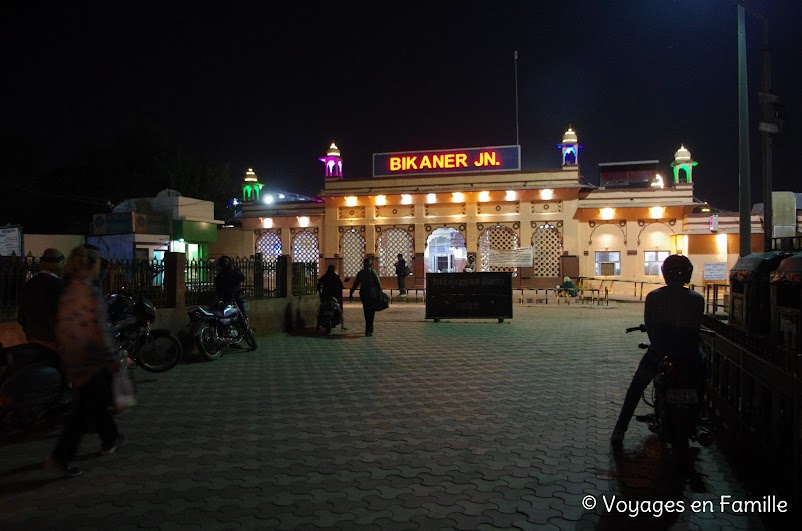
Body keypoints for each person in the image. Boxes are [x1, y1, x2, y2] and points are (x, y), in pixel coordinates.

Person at [46, 245, 126, 477]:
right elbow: (100, 330)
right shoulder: (90, 292)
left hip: (75, 359)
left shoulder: (69, 290)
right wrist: (112, 358)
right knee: (80, 414)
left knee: (94, 403)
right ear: (91, 266)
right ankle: (59, 459)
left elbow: (62, 327)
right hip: (92, 360)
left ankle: (110, 438)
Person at [611, 254, 704, 448]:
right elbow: (696, 327)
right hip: (689, 356)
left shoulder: (654, 297)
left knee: (636, 388)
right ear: (688, 274)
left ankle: (620, 430)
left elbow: (651, 328)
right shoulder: (697, 299)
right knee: (704, 375)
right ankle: (700, 415)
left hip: (659, 355)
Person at [18, 248, 65, 352]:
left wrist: (30, 334)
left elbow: (21, 317)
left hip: (33, 340)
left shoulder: (28, 285)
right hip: (54, 343)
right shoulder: (61, 287)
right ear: (60, 267)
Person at [350, 257, 382, 336]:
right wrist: (380, 293)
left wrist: (351, 293)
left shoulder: (361, 273)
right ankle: (369, 329)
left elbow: (355, 284)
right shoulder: (372, 272)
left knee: (366, 311)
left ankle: (368, 329)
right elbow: (378, 284)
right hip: (372, 294)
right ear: (370, 265)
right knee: (371, 312)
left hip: (364, 294)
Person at [317, 264, 346, 330]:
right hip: (334, 296)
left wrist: (320, 293)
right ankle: (342, 325)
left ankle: (318, 325)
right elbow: (341, 286)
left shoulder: (325, 276)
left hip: (325, 295)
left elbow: (318, 285)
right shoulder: (336, 277)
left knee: (321, 308)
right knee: (339, 309)